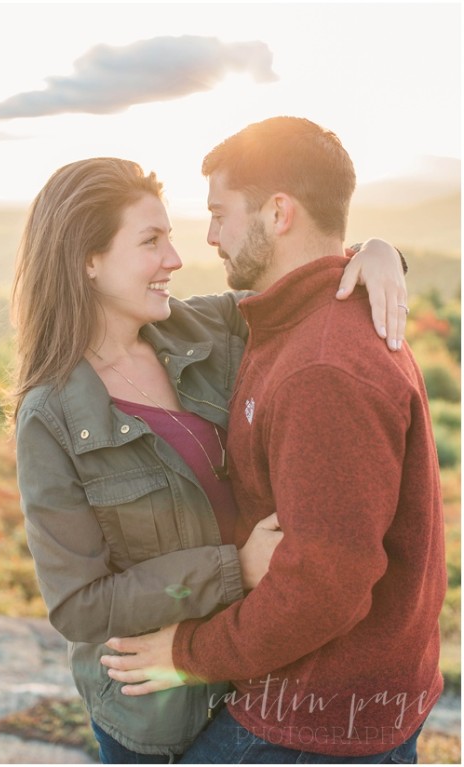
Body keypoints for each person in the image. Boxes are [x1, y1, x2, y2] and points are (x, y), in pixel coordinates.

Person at [10, 157, 408, 761]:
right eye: (151, 241)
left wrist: (379, 252)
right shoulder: (51, 417)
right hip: (158, 714)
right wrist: (233, 569)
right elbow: (78, 605)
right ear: (87, 261)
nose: (175, 258)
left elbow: (305, 274)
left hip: (265, 674)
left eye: (170, 237)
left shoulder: (211, 326)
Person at [101, 117, 444, 763]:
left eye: (220, 212)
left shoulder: (324, 367)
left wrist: (186, 652)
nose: (209, 236)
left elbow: (324, 586)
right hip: (317, 700)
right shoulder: (292, 322)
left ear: (279, 211)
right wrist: (378, 250)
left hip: (310, 722)